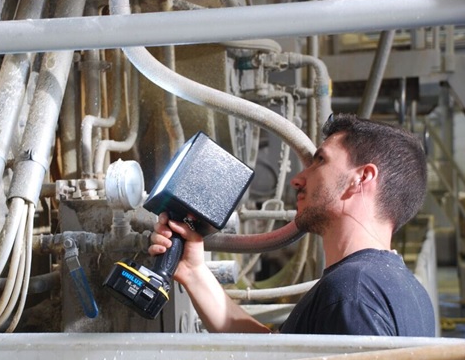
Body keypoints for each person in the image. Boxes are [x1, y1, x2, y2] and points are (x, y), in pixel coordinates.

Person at [148, 113, 436, 336]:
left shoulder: (353, 293)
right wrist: (194, 272)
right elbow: (275, 358)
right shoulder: (409, 293)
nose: (297, 179)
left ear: (361, 178)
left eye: (320, 161)